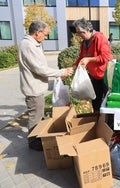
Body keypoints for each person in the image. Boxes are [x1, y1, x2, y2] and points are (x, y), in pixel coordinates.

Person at [18, 21, 74, 151]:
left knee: (38, 114)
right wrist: (61, 72)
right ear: (37, 33)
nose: (46, 37)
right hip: (33, 88)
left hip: (36, 86)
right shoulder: (28, 45)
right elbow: (39, 69)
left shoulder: (34, 44)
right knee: (35, 115)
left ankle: (38, 136)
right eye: (45, 34)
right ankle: (33, 142)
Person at [72, 18, 113, 112]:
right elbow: (81, 57)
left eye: (80, 32)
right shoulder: (84, 43)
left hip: (105, 76)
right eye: (77, 33)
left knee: (107, 102)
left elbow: (106, 57)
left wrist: (89, 59)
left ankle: (106, 123)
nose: (79, 35)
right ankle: (97, 121)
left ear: (87, 30)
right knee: (95, 101)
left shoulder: (99, 38)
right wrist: (73, 67)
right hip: (94, 76)